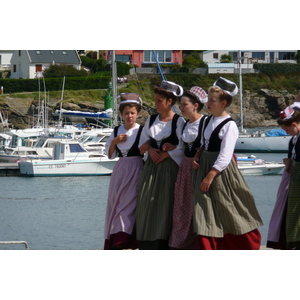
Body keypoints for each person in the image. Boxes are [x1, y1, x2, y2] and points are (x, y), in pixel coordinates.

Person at [192, 77, 263, 250]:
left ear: (224, 103)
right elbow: (204, 143)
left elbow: (225, 155)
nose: (208, 103)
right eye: (208, 99)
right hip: (204, 167)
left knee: (229, 208)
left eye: (212, 101)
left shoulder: (229, 125)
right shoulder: (207, 120)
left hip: (220, 172)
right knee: (203, 210)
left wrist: (210, 175)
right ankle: (208, 247)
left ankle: (243, 245)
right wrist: (198, 156)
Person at [136, 80, 186, 250]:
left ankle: (165, 242)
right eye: (155, 100)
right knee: (147, 201)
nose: (155, 104)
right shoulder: (150, 120)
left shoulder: (178, 122)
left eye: (159, 101)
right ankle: (148, 240)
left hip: (169, 167)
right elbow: (142, 144)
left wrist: (166, 154)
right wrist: (150, 149)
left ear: (170, 102)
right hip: (151, 167)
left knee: (166, 203)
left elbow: (183, 146)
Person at [168, 86, 208, 250]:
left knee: (199, 205)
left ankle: (200, 241)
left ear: (195, 105)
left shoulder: (205, 123)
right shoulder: (185, 124)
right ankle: (181, 242)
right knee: (183, 204)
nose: (181, 107)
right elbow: (181, 147)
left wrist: (200, 157)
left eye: (184, 104)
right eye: (181, 104)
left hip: (199, 167)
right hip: (185, 167)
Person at [103, 93, 144, 250]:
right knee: (116, 204)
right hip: (120, 170)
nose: (129, 116)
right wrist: (114, 141)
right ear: (121, 114)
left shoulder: (141, 131)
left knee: (129, 205)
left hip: (137, 168)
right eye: (126, 113)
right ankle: (116, 238)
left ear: (138, 114)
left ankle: (124, 239)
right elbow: (110, 154)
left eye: (132, 113)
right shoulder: (116, 131)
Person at [267, 102, 300, 250]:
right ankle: (289, 241)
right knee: (288, 211)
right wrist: (289, 161)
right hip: (292, 180)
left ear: (294, 125)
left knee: (295, 211)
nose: (286, 133)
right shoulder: (294, 139)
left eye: (287, 130)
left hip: (297, 179)